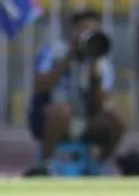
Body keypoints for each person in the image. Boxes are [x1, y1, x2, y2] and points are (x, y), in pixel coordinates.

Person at [27, 10, 125, 176]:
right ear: (73, 30)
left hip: (86, 119)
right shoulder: (53, 52)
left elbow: (99, 107)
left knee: (116, 119)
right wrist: (67, 60)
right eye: (83, 29)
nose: (87, 35)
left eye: (94, 31)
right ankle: (45, 165)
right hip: (51, 117)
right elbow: (39, 87)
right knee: (63, 111)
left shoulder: (102, 63)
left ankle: (99, 163)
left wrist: (96, 80)